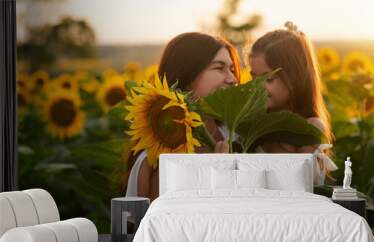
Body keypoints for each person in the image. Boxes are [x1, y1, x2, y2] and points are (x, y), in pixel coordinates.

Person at [123, 32, 241, 200]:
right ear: (186, 75)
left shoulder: (239, 139)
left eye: (231, 68)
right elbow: (144, 224)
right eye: (219, 68)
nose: (233, 79)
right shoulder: (154, 163)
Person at [248, 22, 337, 185]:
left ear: (295, 78)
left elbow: (297, 183)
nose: (257, 86)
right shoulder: (250, 122)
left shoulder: (309, 127)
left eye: (268, 79)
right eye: (254, 78)